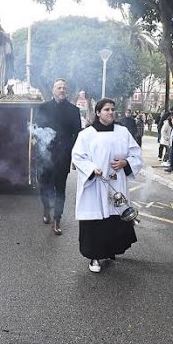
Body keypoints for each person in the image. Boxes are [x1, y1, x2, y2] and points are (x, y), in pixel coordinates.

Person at [71, 98, 142, 273]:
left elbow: (136, 154)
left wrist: (125, 162)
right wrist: (91, 168)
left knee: (114, 219)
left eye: (112, 109)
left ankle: (111, 251)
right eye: (106, 109)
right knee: (96, 221)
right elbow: (78, 157)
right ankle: (94, 257)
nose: (111, 112)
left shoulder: (123, 132)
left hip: (116, 184)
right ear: (97, 112)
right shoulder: (87, 134)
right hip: (96, 185)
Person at [35, 78, 82, 235]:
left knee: (60, 189)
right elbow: (36, 129)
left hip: (63, 157)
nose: (62, 90)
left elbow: (78, 134)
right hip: (44, 154)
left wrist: (70, 149)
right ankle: (46, 209)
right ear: (53, 90)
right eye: (59, 87)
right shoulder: (43, 108)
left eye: (64, 88)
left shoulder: (74, 110)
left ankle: (57, 220)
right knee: (43, 186)